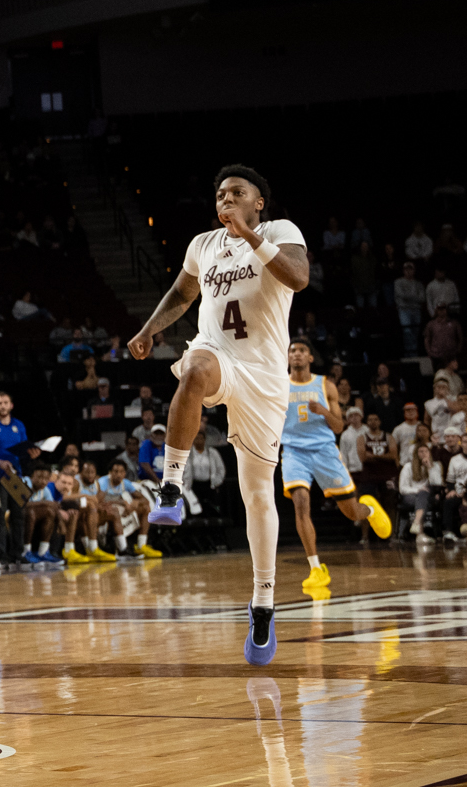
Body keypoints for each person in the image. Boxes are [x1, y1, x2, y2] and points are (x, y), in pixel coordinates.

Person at [131, 165, 305, 666]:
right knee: (194, 369)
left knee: (257, 494)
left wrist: (250, 237)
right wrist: (149, 330)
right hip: (219, 355)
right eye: (221, 193)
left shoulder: (278, 232)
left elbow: (299, 277)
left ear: (259, 203)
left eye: (238, 193)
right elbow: (183, 294)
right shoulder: (202, 245)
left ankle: (264, 603)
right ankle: (170, 487)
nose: (226, 199)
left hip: (265, 377)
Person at [279, 339, 390, 591]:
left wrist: (323, 411)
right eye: (292, 351)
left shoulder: (325, 385)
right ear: (287, 357)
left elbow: (339, 427)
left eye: (301, 351)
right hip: (294, 452)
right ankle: (316, 568)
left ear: (310, 358)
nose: (296, 354)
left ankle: (369, 511)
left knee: (351, 512)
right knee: (300, 503)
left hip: (324, 451)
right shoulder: (279, 384)